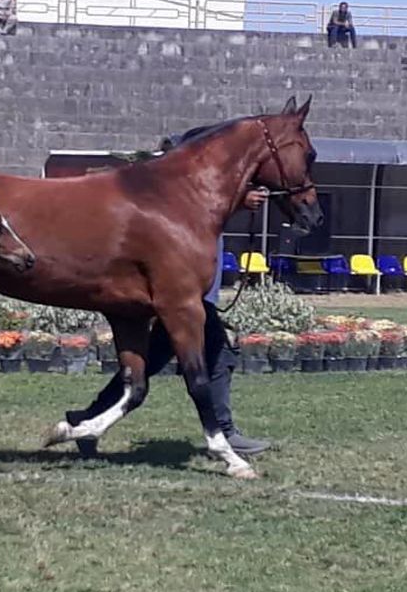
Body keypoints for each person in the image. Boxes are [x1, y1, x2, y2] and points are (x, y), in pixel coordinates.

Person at [67, 133, 272, 459]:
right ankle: (223, 433)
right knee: (213, 357)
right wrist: (241, 200)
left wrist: (239, 199)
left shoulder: (196, 198)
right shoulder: (174, 200)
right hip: (184, 298)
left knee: (149, 365)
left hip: (194, 295)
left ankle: (87, 418)